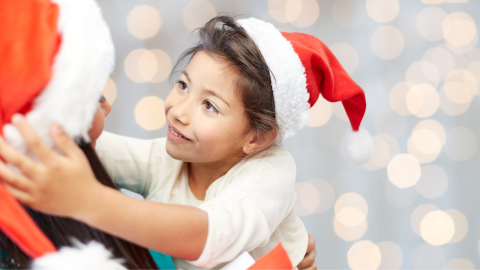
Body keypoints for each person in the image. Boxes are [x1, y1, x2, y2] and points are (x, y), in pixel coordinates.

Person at [0, 15, 370, 269]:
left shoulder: (269, 174)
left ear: (257, 137)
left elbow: (210, 234)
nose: (179, 111)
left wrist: (90, 201)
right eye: (183, 85)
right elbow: (100, 149)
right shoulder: (172, 157)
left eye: (209, 106)